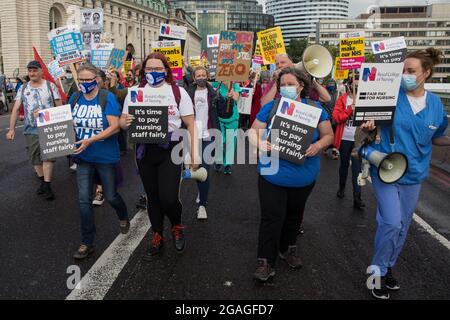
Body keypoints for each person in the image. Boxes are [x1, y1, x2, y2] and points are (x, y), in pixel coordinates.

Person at [361, 48, 449, 300]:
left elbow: (437, 136)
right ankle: (375, 274)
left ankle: (387, 267)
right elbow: (368, 120)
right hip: (386, 168)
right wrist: (369, 122)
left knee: (402, 227)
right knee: (390, 222)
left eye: (411, 71)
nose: (405, 75)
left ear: (426, 73)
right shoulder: (389, 95)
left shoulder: (434, 104)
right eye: (402, 70)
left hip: (414, 175)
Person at [249, 67, 334, 282]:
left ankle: (287, 248)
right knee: (271, 217)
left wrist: (318, 146)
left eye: (290, 84)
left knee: (294, 216)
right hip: (272, 174)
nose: (286, 88)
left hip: (304, 176)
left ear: (302, 86)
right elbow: (252, 131)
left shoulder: (315, 109)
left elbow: (329, 135)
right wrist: (260, 143)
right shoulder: (271, 107)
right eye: (282, 85)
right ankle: (265, 261)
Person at [120, 52, 199, 259]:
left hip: (171, 149)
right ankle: (157, 235)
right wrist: (124, 122)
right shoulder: (135, 92)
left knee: (169, 197)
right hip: (145, 150)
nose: (153, 72)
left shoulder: (178, 92)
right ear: (143, 70)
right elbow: (122, 121)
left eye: (157, 68)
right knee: (152, 197)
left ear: (166, 70)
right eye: (149, 68)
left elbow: (190, 124)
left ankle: (176, 225)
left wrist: (194, 154)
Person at [70, 63, 130, 260]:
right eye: (81, 80)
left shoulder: (107, 97)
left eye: (88, 80)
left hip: (105, 157)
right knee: (83, 200)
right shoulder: (75, 98)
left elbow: (114, 127)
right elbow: (65, 122)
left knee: (111, 196)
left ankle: (122, 216)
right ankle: (87, 242)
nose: (85, 83)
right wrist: (44, 118)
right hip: (84, 157)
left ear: (97, 80)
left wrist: (91, 140)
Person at [6, 61, 61, 200]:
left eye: (35, 70)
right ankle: (43, 181)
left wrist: (45, 114)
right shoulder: (23, 88)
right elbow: (16, 109)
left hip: (49, 127)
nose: (32, 73)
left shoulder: (50, 86)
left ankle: (47, 185)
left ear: (41, 71)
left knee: (48, 157)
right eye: (30, 71)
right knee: (35, 159)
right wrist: (11, 129)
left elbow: (59, 107)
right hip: (31, 129)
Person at [187, 66, 220, 220]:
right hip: (192, 136)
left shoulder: (214, 93)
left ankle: (202, 205)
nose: (201, 77)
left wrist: (230, 100)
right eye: (198, 75)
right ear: (194, 78)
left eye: (203, 74)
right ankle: (202, 191)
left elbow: (224, 111)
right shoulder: (187, 93)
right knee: (195, 169)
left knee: (204, 171)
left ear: (208, 77)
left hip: (209, 135)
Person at [332, 77, 365, 209]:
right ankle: (341, 188)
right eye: (354, 84)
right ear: (349, 85)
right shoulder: (342, 99)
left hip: (358, 140)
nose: (356, 87)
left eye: (359, 85)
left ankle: (357, 197)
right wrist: (350, 109)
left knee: (357, 169)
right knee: (344, 165)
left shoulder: (364, 99)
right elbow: (336, 117)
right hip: (345, 139)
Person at [261, 53, 331, 107]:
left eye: (282, 62)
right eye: (277, 64)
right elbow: (264, 104)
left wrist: (311, 80)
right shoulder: (274, 82)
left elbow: (326, 98)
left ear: (291, 62)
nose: (279, 66)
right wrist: (277, 81)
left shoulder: (303, 81)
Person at [211, 81, 241, 175]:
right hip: (219, 118)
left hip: (232, 119)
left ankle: (228, 164)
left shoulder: (235, 85)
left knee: (231, 142)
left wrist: (232, 94)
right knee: (219, 141)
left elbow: (237, 98)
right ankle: (219, 160)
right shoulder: (216, 84)